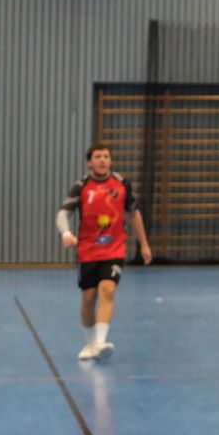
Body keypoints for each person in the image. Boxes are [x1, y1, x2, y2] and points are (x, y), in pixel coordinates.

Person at [56, 142, 153, 360]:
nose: (103, 160)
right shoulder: (81, 186)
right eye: (98, 157)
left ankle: (100, 342)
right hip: (88, 250)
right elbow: (63, 213)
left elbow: (133, 213)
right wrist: (66, 233)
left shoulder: (121, 184)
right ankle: (90, 343)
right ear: (89, 162)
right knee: (89, 298)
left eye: (106, 157)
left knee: (107, 290)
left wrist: (144, 244)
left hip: (114, 248)